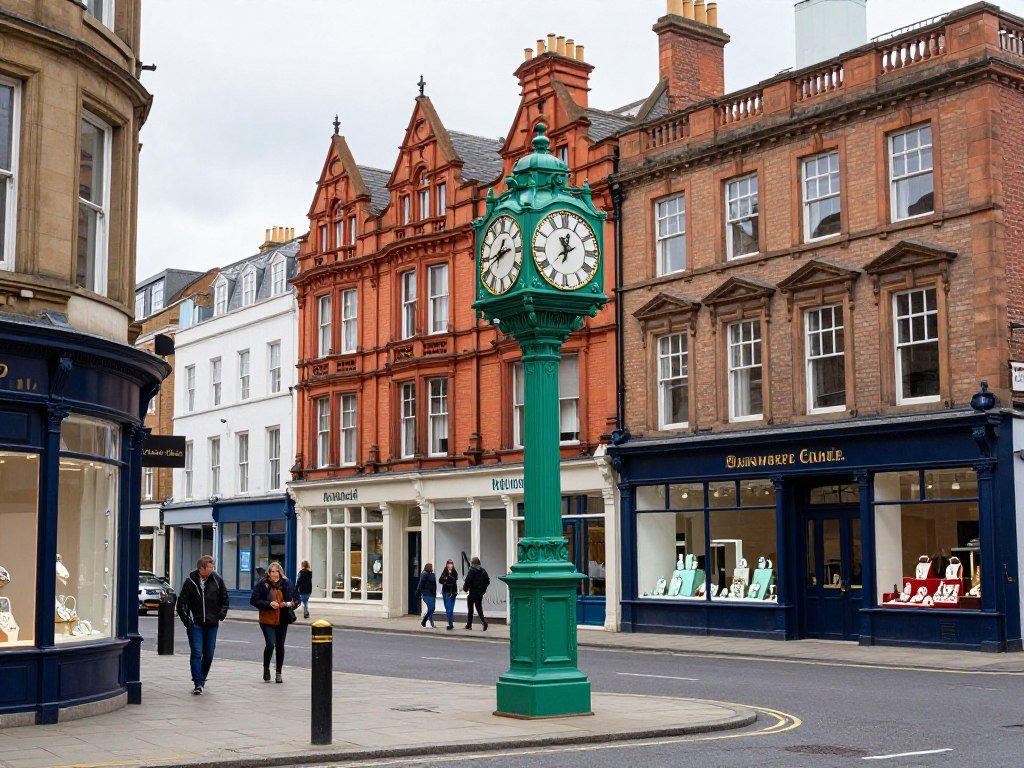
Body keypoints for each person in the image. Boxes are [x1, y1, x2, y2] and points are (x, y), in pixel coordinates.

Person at [176, 555, 229, 695]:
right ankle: (198, 683)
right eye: (210, 567)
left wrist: (221, 614)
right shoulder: (190, 582)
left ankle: (202, 679)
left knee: (209, 654)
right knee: (196, 653)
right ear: (202, 568)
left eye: (213, 567)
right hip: (195, 624)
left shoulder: (217, 580)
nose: (213, 569)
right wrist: (188, 620)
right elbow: (181, 603)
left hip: (212, 623)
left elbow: (224, 598)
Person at [249, 561, 298, 684]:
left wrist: (291, 604)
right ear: (268, 573)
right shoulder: (262, 584)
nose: (275, 574)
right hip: (267, 618)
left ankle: (278, 673)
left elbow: (296, 599)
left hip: (282, 618)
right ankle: (266, 668)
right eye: (272, 571)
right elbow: (254, 600)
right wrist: (269, 604)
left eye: (277, 571)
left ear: (280, 573)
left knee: (280, 645)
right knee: (270, 644)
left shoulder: (286, 583)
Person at [462, 556, 490, 631]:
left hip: (472, 592)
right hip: (479, 593)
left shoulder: (472, 570)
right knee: (479, 608)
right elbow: (487, 581)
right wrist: (483, 590)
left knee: (470, 609)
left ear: (472, 563)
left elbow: (468, 581)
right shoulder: (483, 571)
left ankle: (469, 625)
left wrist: (465, 588)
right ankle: (484, 622)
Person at [438, 559, 459, 631]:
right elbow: (440, 580)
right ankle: (450, 623)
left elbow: (453, 580)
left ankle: (450, 624)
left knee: (450, 609)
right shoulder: (444, 572)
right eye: (449, 564)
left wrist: (446, 580)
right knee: (448, 609)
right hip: (446, 592)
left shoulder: (454, 572)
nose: (450, 565)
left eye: (451, 564)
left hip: (453, 592)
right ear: (446, 565)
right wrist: (446, 579)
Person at [415, 562, 437, 629]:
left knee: (432, 609)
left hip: (432, 594)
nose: (432, 568)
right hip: (426, 594)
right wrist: (418, 592)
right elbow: (420, 583)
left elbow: (434, 584)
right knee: (431, 608)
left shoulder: (432, 574)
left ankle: (432, 624)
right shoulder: (424, 574)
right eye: (431, 567)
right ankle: (424, 620)